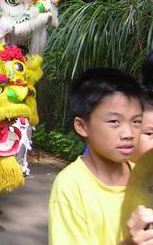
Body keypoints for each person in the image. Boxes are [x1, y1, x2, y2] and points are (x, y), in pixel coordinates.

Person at [48, 68, 145, 245]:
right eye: (114, 121)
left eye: (136, 121)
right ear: (82, 126)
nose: (129, 133)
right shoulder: (70, 187)